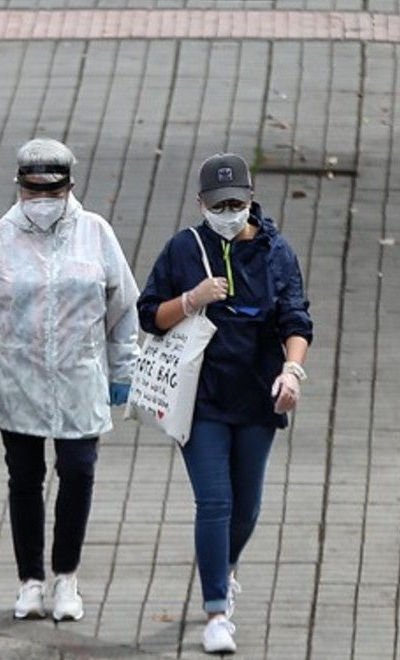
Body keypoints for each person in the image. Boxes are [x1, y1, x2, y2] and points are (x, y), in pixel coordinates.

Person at [0, 138, 141, 623]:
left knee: (79, 470)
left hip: (79, 379)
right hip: (19, 382)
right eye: (32, 192)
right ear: (18, 188)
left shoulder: (95, 234)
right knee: (25, 478)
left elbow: (123, 307)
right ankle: (30, 580)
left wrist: (124, 368)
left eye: (49, 192)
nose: (40, 202)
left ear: (69, 188)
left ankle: (67, 577)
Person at [136, 153, 313, 655]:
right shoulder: (183, 249)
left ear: (251, 200)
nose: (229, 212)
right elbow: (150, 315)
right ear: (201, 204)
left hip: (257, 395)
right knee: (214, 501)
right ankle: (217, 609)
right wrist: (191, 300)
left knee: (247, 506)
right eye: (219, 205)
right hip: (202, 398)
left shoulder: (277, 254)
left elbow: (296, 321)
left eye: (237, 203)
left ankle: (224, 566)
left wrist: (291, 371)